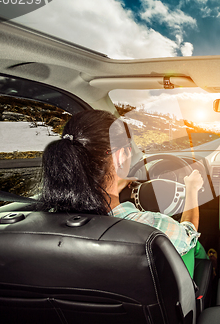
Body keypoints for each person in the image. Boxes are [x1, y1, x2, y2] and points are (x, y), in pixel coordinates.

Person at [39, 109, 205, 276]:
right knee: (193, 249)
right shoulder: (149, 230)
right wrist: (191, 189)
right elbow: (188, 233)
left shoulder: (43, 225)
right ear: (119, 156)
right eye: (128, 148)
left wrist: (118, 182)